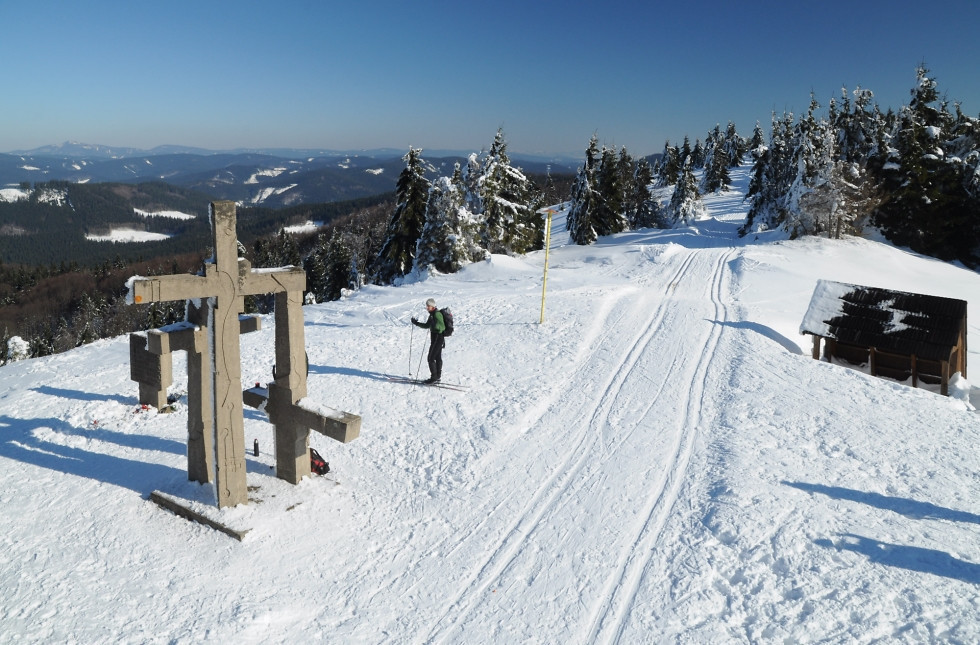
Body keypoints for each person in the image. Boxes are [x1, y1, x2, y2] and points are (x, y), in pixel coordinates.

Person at [411, 298, 446, 384]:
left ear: (432, 306)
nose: (427, 308)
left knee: (430, 358)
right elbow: (427, 325)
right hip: (435, 338)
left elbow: (442, 327)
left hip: (438, 338)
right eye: (427, 306)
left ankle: (434, 378)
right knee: (437, 357)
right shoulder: (432, 314)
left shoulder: (437, 314)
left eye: (428, 306)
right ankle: (437, 377)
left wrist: (435, 325)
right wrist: (417, 323)